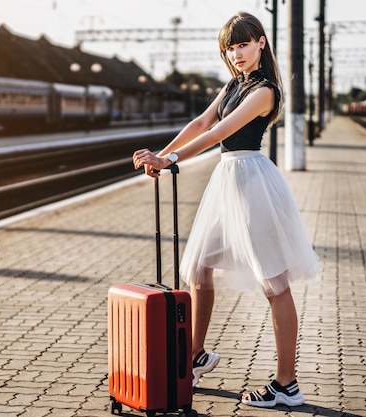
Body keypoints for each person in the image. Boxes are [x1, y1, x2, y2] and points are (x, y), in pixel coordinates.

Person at [132, 11, 320, 408]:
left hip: (252, 183)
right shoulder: (235, 84)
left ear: (261, 43)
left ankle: (287, 385)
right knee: (198, 268)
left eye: (243, 44)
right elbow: (202, 122)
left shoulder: (264, 91)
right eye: (230, 47)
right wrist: (161, 155)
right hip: (227, 181)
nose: (236, 53)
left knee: (275, 285)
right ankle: (196, 356)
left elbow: (221, 132)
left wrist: (172, 160)